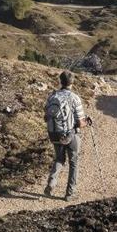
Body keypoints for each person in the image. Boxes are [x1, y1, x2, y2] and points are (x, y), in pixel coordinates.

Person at [43, 70, 89, 198]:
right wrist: (87, 122)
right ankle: (70, 193)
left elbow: (46, 117)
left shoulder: (52, 97)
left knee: (59, 159)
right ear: (72, 82)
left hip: (54, 134)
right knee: (73, 161)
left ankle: (52, 182)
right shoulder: (74, 98)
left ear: (60, 81)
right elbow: (80, 123)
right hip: (70, 135)